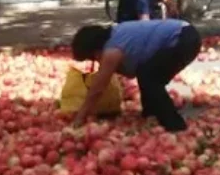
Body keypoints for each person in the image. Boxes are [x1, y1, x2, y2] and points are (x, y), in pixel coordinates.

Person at [70, 19, 202, 133]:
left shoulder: (112, 50)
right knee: (146, 73)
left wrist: (80, 117)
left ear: (95, 49)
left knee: (150, 78)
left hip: (183, 39)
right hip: (185, 33)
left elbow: (98, 89)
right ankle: (151, 114)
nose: (96, 60)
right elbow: (132, 72)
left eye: (92, 57)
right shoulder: (115, 35)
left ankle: (175, 125)